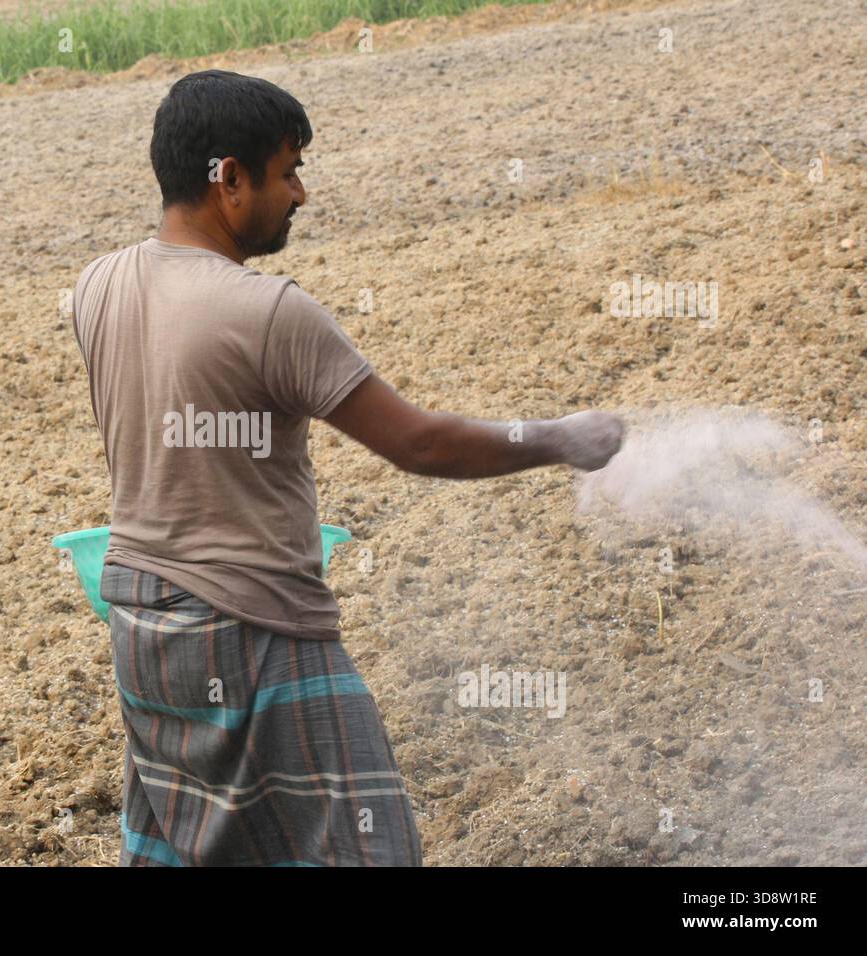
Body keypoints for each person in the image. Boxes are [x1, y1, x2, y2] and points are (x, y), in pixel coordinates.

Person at [71, 69, 624, 866]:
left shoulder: (97, 285)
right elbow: (419, 443)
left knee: (195, 849)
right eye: (288, 171)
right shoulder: (267, 312)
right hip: (252, 626)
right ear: (228, 179)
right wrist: (558, 439)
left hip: (142, 625)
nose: (300, 194)